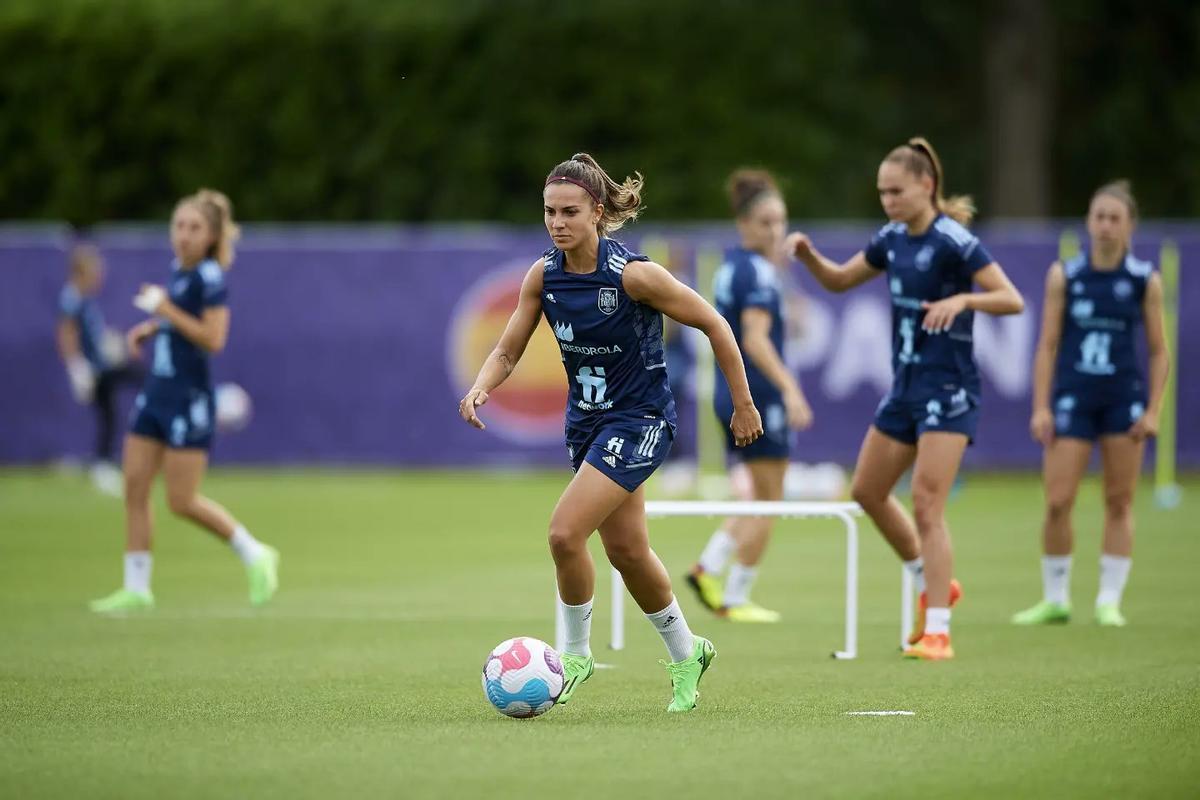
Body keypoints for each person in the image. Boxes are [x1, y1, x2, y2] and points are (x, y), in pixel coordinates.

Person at [459, 153, 762, 711]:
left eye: (570, 211)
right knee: (627, 550)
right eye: (549, 211)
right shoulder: (543, 275)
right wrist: (482, 386)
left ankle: (574, 657)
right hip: (587, 426)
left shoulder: (634, 275)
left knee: (562, 534)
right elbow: (507, 348)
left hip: (641, 421)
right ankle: (687, 652)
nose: (557, 222)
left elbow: (715, 323)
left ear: (598, 212)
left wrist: (743, 403)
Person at [786, 138, 1024, 660]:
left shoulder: (954, 241)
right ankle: (932, 579)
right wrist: (809, 257)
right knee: (866, 491)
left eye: (896, 191)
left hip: (950, 390)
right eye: (881, 193)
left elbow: (1011, 298)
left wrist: (963, 297)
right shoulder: (892, 238)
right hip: (906, 389)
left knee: (926, 502)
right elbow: (842, 281)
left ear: (926, 186)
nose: (888, 201)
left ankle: (937, 628)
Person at [89, 189, 279, 613]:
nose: (184, 235)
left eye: (195, 228)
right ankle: (136, 587)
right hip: (156, 392)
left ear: (212, 236)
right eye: (179, 226)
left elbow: (213, 338)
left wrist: (164, 310)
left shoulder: (210, 277)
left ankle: (255, 552)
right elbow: (181, 319)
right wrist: (153, 326)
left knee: (181, 500)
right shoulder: (180, 270)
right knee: (134, 486)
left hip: (188, 400)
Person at [1013, 181, 1169, 628]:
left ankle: (1109, 600)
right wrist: (1040, 406)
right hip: (1073, 397)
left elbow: (1160, 351)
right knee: (1058, 499)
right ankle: (1056, 597)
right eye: (1098, 216)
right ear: (1087, 221)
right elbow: (1047, 344)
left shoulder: (1144, 281)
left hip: (1123, 399)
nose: (1104, 226)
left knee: (1119, 501)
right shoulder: (1066, 275)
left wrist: (1153, 409)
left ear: (1129, 226)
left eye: (1114, 218)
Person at [686, 169, 813, 623]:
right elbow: (756, 341)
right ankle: (734, 595)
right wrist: (790, 388)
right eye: (766, 222)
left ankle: (709, 566)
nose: (775, 230)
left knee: (761, 494)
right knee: (771, 500)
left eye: (780, 221)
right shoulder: (758, 270)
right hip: (758, 394)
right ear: (744, 223)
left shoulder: (733, 266)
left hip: (731, 391)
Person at [56, 243, 144, 496]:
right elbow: (66, 331)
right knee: (141, 381)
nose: (99, 278)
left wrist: (107, 343)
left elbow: (90, 333)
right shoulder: (71, 296)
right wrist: (76, 366)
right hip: (97, 370)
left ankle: (102, 464)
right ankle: (103, 465)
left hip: (101, 365)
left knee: (108, 413)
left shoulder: (84, 298)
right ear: (82, 272)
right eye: (94, 272)